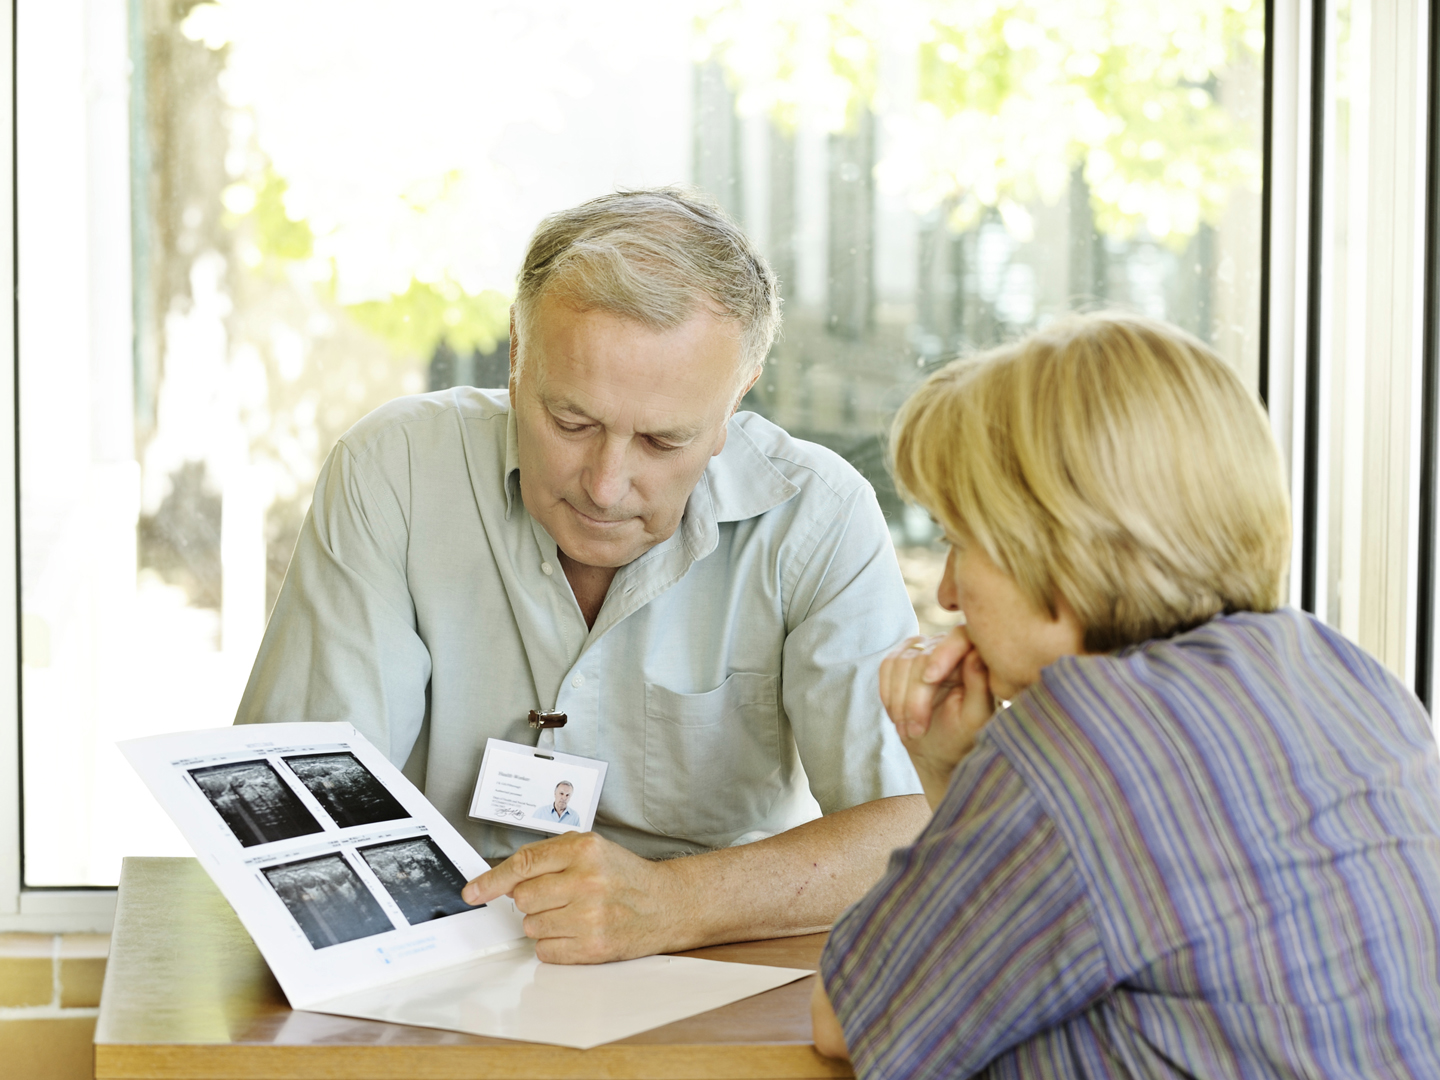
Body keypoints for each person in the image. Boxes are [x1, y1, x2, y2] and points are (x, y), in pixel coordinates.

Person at [236, 187, 928, 964]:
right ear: (514, 350)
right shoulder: (392, 468)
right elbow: (292, 811)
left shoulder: (819, 516)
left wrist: (677, 903)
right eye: (571, 423)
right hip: (435, 953)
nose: (604, 484)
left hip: (714, 956)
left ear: (740, 392)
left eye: (663, 441)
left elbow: (910, 828)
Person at [812, 313, 1440, 1078]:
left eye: (958, 540)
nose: (946, 595)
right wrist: (963, 772)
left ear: (1058, 542)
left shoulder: (1081, 741)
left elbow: (852, 1018)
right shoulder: (1339, 671)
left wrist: (959, 768)